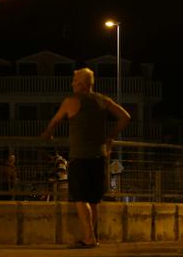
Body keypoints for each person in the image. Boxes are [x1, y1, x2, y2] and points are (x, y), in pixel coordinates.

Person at [40, 68, 131, 248]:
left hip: (80, 157)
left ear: (81, 84)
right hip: (99, 156)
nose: (72, 83)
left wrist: (48, 134)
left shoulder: (71, 101)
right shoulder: (102, 100)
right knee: (94, 200)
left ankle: (90, 237)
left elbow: (54, 122)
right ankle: (91, 236)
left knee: (81, 199)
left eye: (74, 81)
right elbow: (125, 117)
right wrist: (110, 136)